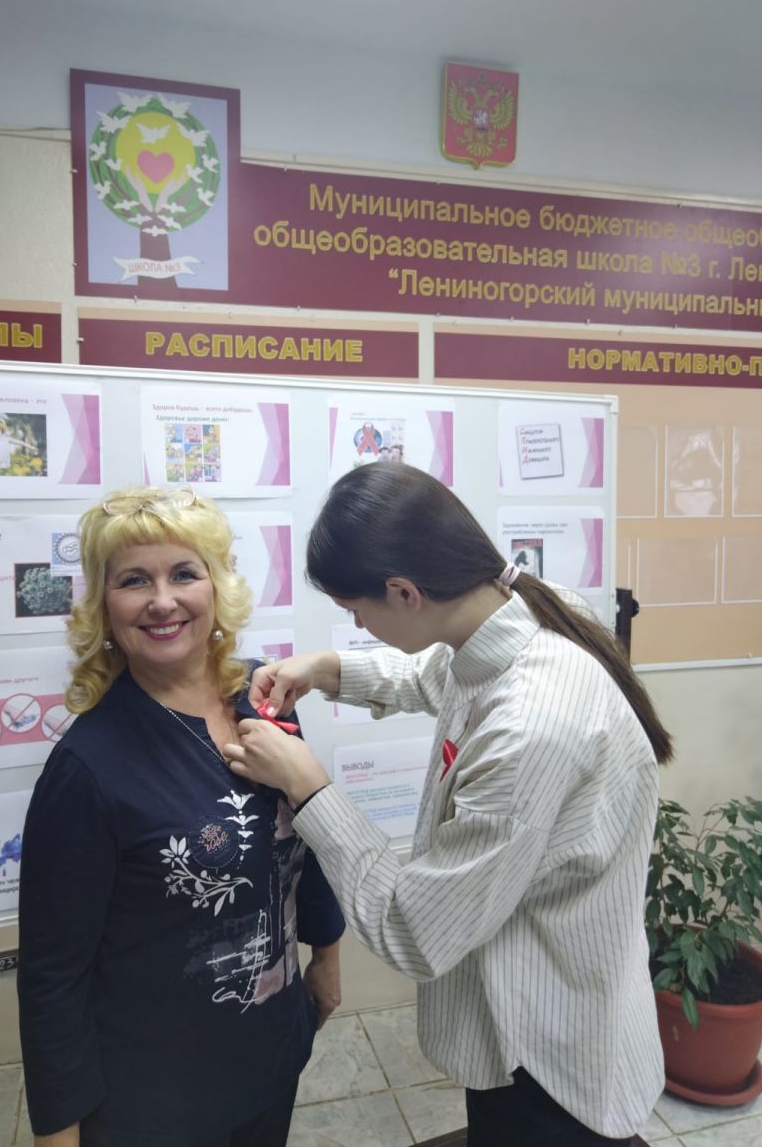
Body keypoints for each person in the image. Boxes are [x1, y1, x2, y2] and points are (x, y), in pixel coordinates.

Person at [224, 462, 672, 1147]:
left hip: (545, 1049)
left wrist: (308, 788)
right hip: (534, 1000)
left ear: (403, 592)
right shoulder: (523, 611)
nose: (357, 624)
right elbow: (441, 672)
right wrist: (326, 670)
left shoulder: (529, 728)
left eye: (355, 611)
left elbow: (414, 930)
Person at [18, 485, 344, 1147]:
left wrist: (327, 954)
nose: (162, 601)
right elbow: (53, 976)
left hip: (273, 1054)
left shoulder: (261, 696)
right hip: (157, 1098)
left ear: (217, 587)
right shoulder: (87, 768)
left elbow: (301, 833)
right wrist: (57, 1134)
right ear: (104, 606)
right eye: (134, 580)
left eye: (184, 574)